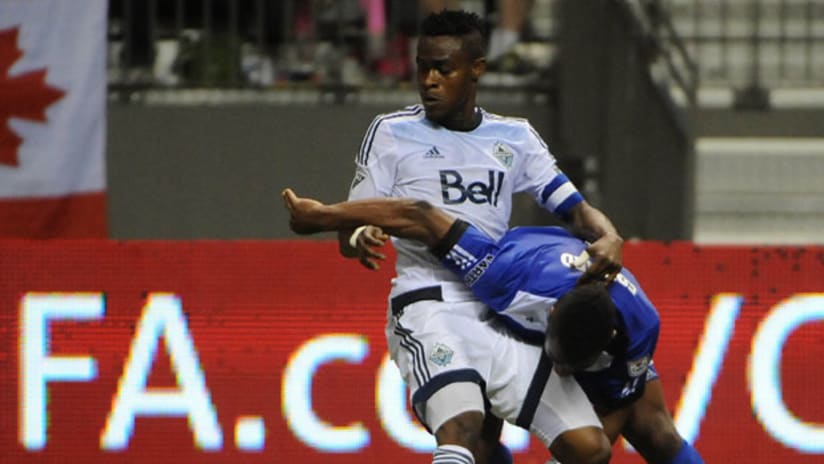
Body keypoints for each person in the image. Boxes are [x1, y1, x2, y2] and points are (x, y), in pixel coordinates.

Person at [335, 9, 623, 464]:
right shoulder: (391, 132)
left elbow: (578, 212)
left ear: (476, 70)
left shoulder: (515, 138)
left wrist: (609, 237)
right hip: (430, 306)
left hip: (502, 309)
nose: (429, 80)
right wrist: (360, 236)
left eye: (443, 69)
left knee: (589, 450)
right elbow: (349, 224)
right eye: (422, 67)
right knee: (463, 432)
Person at [282, 188, 705, 464]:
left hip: (590, 342)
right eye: (558, 360)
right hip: (501, 314)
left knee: (655, 433)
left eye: (570, 366)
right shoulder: (501, 275)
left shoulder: (640, 328)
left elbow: (615, 408)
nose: (560, 371)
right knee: (480, 441)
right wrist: (327, 217)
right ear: (551, 315)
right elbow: (419, 214)